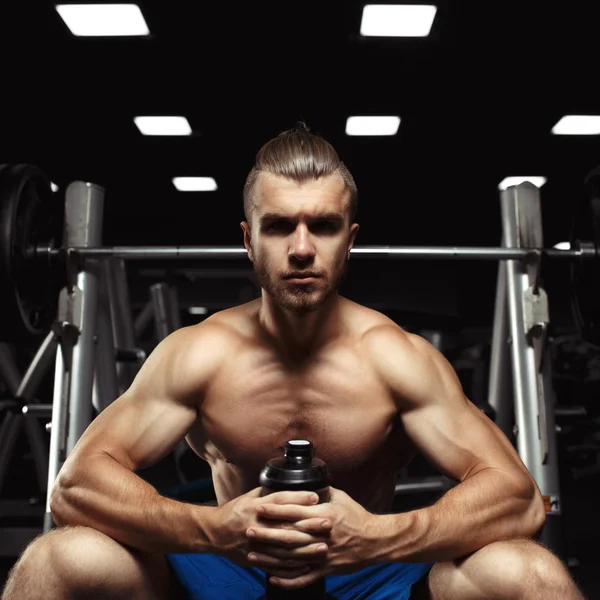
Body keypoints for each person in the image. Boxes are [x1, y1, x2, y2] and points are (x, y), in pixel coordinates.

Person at [2, 123, 585, 600]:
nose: (302, 248)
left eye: (324, 226)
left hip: (370, 571)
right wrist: (213, 530)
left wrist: (381, 537)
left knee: (528, 573)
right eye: (279, 225)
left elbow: (517, 497)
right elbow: (74, 488)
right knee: (55, 560)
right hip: (227, 568)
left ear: (350, 239)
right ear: (249, 239)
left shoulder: (395, 357)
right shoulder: (199, 353)